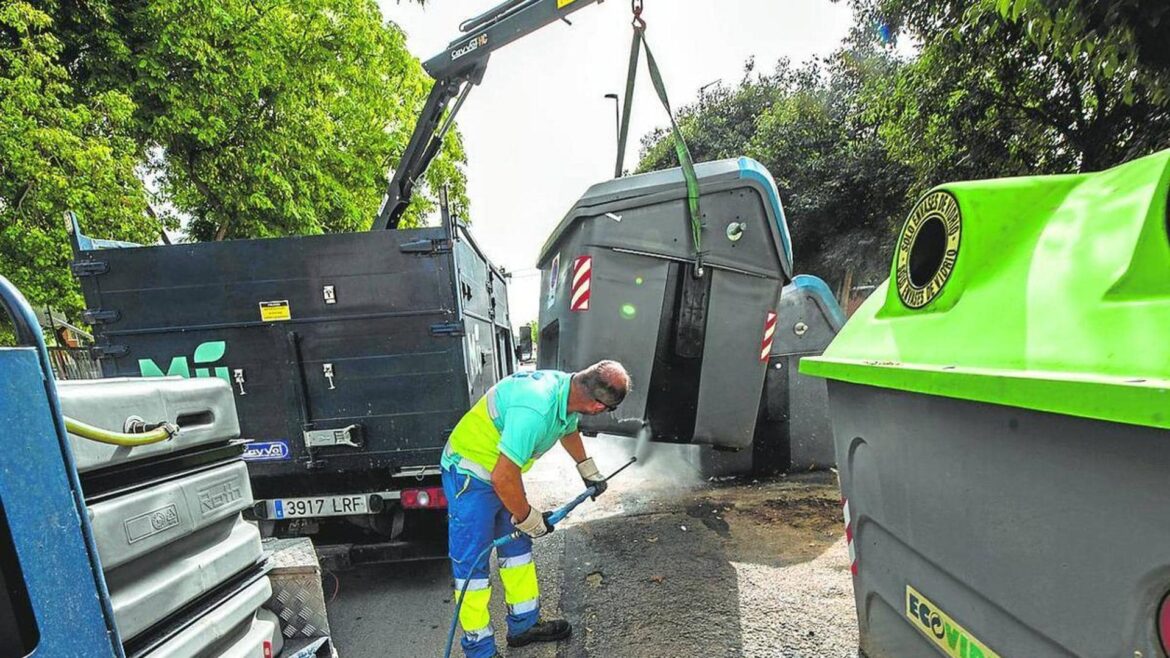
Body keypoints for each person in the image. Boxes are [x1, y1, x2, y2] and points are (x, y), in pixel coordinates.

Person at [440, 360, 631, 658]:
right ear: (596, 406)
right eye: (607, 409)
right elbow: (503, 477)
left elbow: (567, 428)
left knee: (517, 551)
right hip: (470, 475)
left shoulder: (566, 393)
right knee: (472, 569)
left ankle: (523, 626)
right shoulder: (536, 408)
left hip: (501, 474)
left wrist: (586, 468)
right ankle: (479, 650)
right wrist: (528, 517)